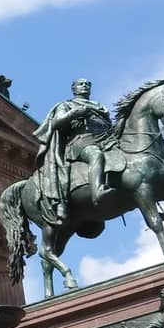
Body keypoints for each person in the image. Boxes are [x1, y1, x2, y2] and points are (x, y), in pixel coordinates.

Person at [32, 78, 112, 221]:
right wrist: (76, 113)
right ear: (74, 89)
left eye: (88, 84)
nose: (85, 86)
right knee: (96, 155)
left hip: (104, 140)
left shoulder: (100, 107)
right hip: (80, 142)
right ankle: (98, 192)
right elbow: (57, 121)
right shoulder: (67, 104)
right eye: (81, 84)